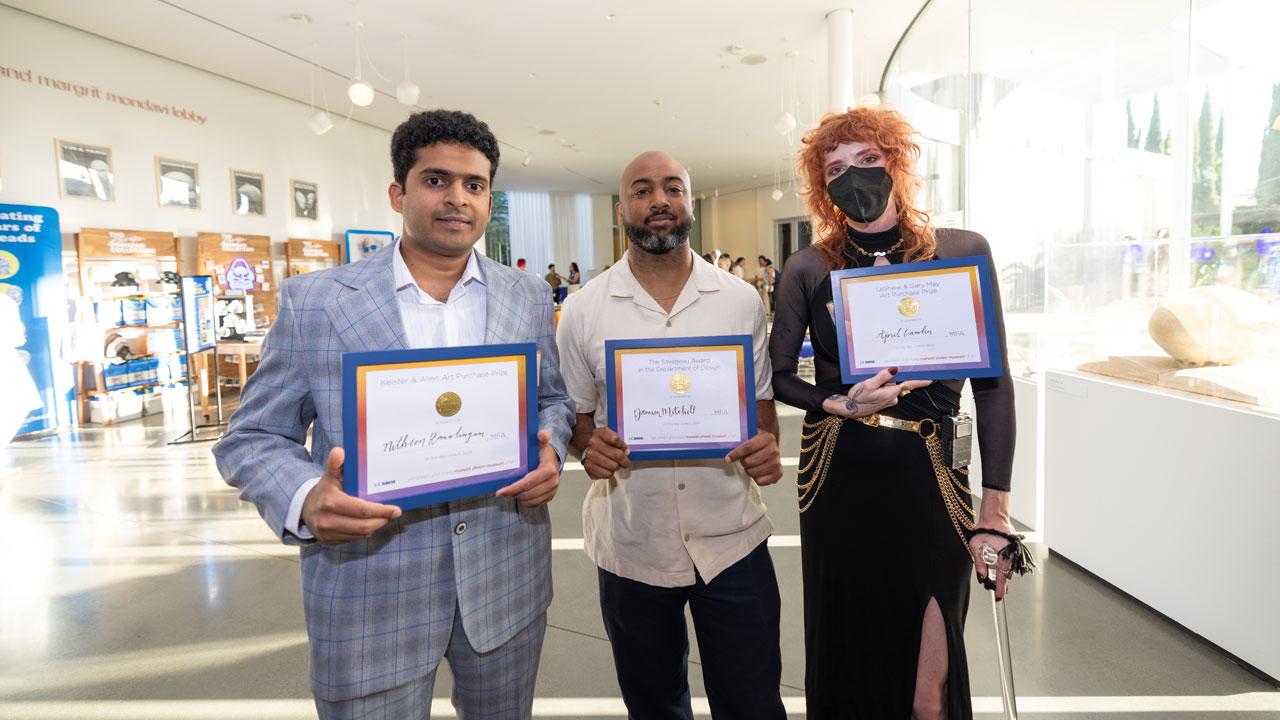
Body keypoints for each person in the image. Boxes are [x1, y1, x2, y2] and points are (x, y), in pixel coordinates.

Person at [213, 109, 575, 720]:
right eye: (436, 181)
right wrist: (305, 498)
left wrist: (551, 448)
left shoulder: (527, 297)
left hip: (505, 579)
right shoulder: (319, 302)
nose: (457, 198)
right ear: (398, 193)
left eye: (475, 185)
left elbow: (552, 399)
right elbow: (251, 436)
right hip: (368, 590)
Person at [768, 105, 1025, 720]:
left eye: (867, 161)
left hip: (932, 480)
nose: (852, 176)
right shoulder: (809, 268)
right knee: (848, 662)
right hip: (839, 479)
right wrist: (836, 400)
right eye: (834, 169)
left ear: (897, 165)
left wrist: (996, 509)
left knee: (928, 690)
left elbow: (993, 385)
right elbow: (778, 376)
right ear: (821, 186)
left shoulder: (962, 252)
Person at [557, 151, 787, 720]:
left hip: (732, 538)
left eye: (672, 188)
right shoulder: (583, 311)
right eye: (642, 190)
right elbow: (575, 416)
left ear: (689, 202)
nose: (658, 200)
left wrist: (765, 446)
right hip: (633, 543)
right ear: (622, 210)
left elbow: (760, 411)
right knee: (655, 704)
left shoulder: (739, 301)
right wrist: (588, 447)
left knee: (753, 703)